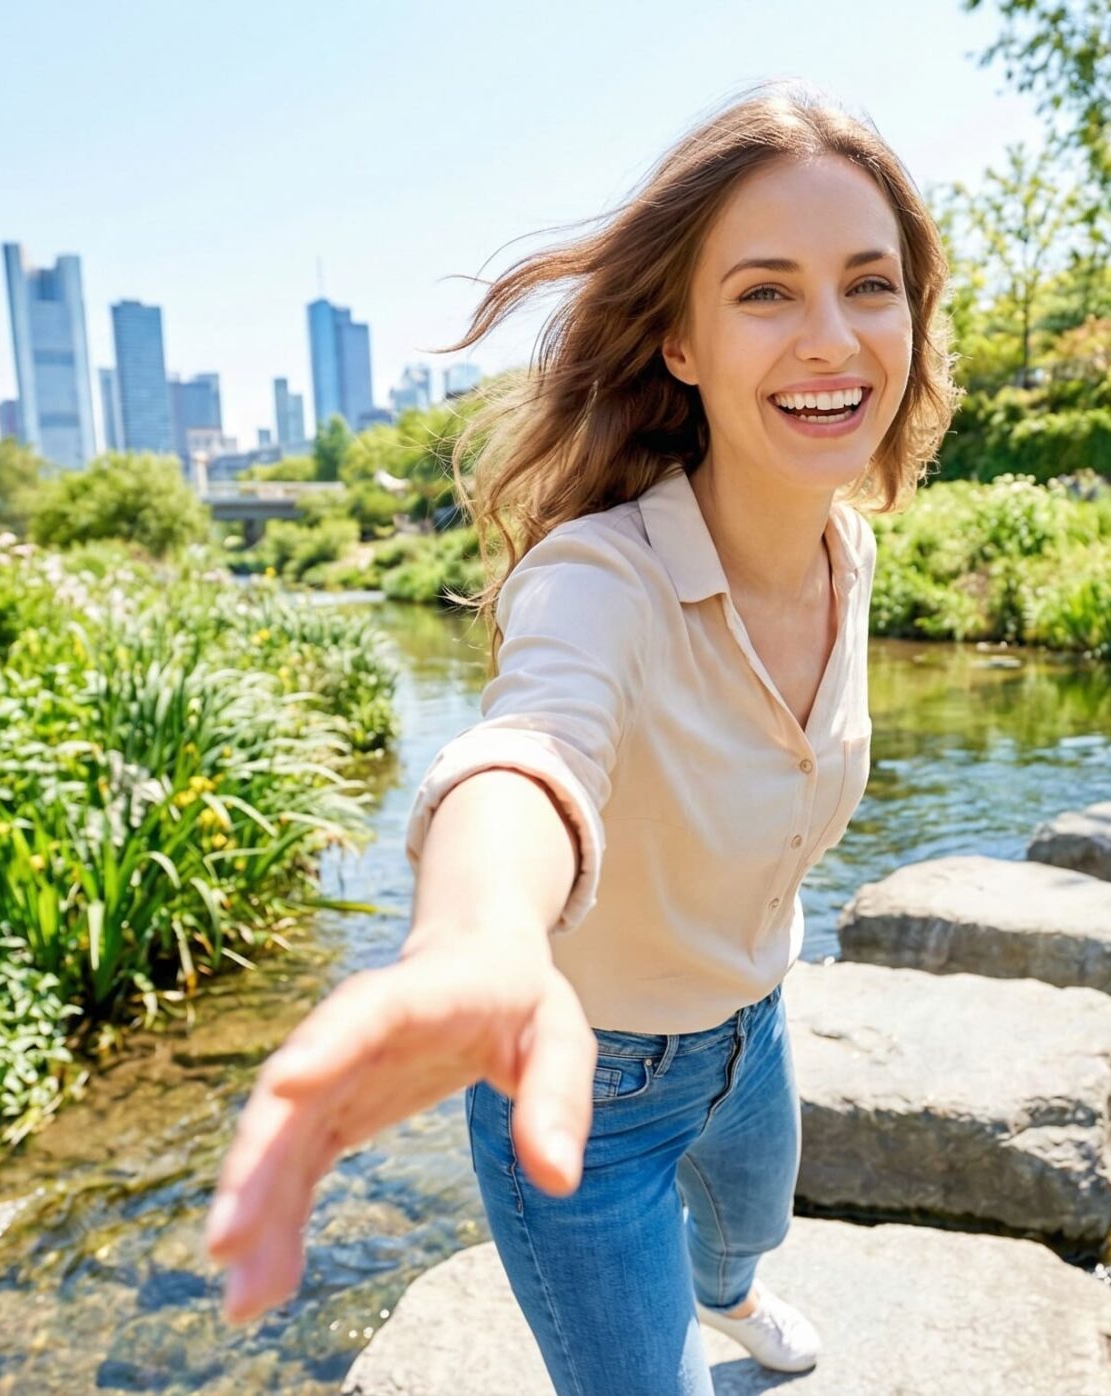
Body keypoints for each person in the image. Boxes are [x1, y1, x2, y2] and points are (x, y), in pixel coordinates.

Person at [200, 79, 956, 1396]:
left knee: (747, 1235)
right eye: (765, 292)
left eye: (870, 284)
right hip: (589, 1095)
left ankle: (734, 1295)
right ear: (679, 341)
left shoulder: (851, 546)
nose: (833, 339)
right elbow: (532, 745)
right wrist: (479, 938)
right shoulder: (602, 576)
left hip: (756, 1020)